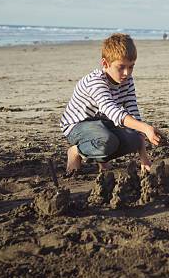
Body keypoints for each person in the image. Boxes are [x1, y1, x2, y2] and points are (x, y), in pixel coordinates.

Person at [60, 33, 161, 175]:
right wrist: (146, 128)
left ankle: (102, 158)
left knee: (133, 139)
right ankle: (76, 151)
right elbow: (112, 110)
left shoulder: (127, 81)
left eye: (131, 67)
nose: (127, 73)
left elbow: (134, 115)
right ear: (105, 64)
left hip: (104, 124)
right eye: (121, 67)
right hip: (78, 125)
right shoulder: (95, 82)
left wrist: (144, 158)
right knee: (108, 141)